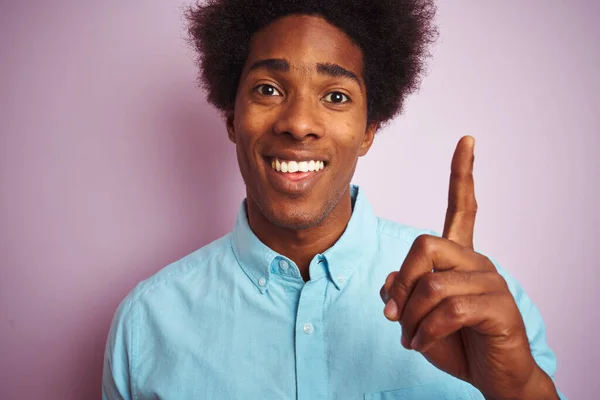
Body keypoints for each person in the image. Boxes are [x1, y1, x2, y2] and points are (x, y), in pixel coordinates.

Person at [102, 1, 565, 399]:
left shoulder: (475, 301)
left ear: (368, 131)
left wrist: (518, 389)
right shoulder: (146, 325)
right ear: (230, 117)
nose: (299, 123)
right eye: (268, 89)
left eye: (336, 95)